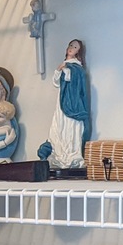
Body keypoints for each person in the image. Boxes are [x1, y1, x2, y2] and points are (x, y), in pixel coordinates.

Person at [38, 39, 90, 168]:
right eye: (71, 45)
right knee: (58, 127)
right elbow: (56, 83)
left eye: (75, 47)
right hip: (61, 102)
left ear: (79, 52)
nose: (71, 48)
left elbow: (76, 81)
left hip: (71, 103)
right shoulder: (65, 64)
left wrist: (67, 71)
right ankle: (58, 154)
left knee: (70, 128)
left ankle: (70, 155)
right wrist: (58, 70)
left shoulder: (76, 67)